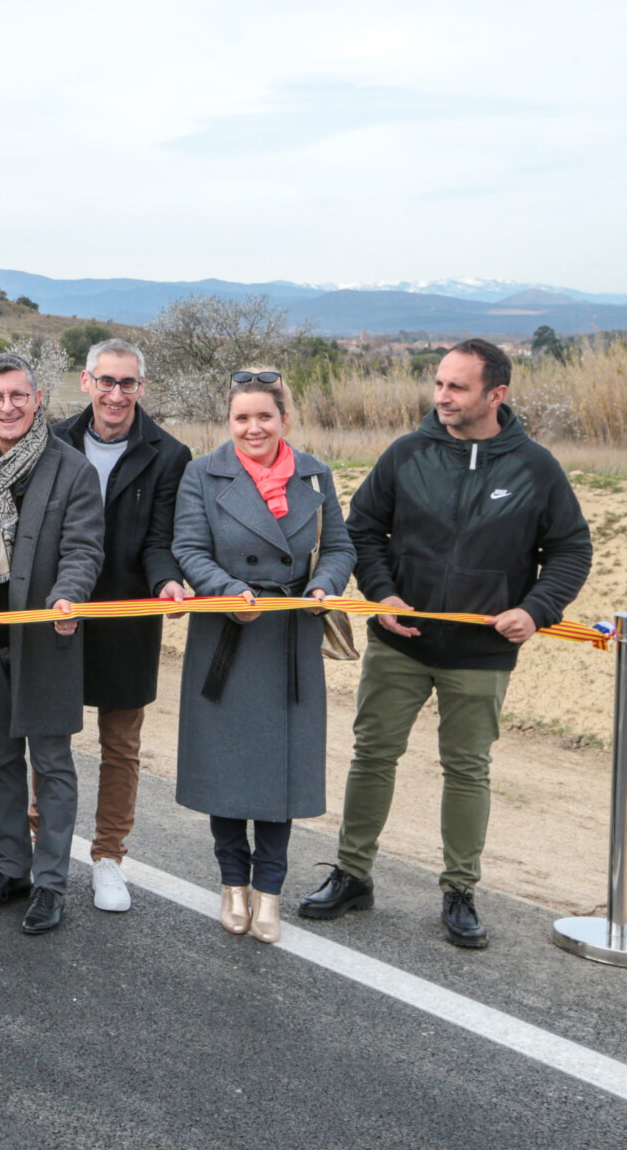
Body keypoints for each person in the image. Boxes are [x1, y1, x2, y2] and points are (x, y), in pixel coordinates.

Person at [299, 339, 592, 948]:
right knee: (373, 756)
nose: (441, 397)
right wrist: (382, 595)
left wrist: (536, 610)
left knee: (468, 770)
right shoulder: (407, 453)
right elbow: (362, 531)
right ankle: (353, 874)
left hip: (481, 653)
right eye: (438, 384)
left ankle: (460, 891)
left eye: (456, 387)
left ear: (496, 395)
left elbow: (570, 550)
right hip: (400, 642)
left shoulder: (536, 467)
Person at [171, 369, 355, 944]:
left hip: (291, 638)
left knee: (281, 775)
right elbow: (188, 547)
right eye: (241, 418)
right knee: (226, 770)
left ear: (285, 419)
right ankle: (232, 883)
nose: (254, 428)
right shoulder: (202, 473)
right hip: (227, 635)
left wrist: (324, 585)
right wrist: (227, 592)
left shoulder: (316, 474)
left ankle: (269, 891)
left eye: (264, 416)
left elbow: (341, 547)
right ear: (229, 423)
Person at [0, 352, 105, 935]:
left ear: (37, 400)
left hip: (48, 637)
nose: (8, 407)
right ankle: (10, 867)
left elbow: (84, 549)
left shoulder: (73, 470)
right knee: (0, 761)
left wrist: (69, 597)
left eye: (19, 396)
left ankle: (50, 883)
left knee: (52, 763)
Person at [48, 338, 191, 913]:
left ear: (141, 388)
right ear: (86, 382)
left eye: (126, 383)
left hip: (130, 615)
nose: (115, 393)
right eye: (105, 381)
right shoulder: (52, 439)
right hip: (62, 610)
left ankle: (108, 858)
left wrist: (166, 583)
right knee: (49, 737)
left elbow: (161, 540)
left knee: (120, 746)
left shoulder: (169, 453)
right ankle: (43, 848)